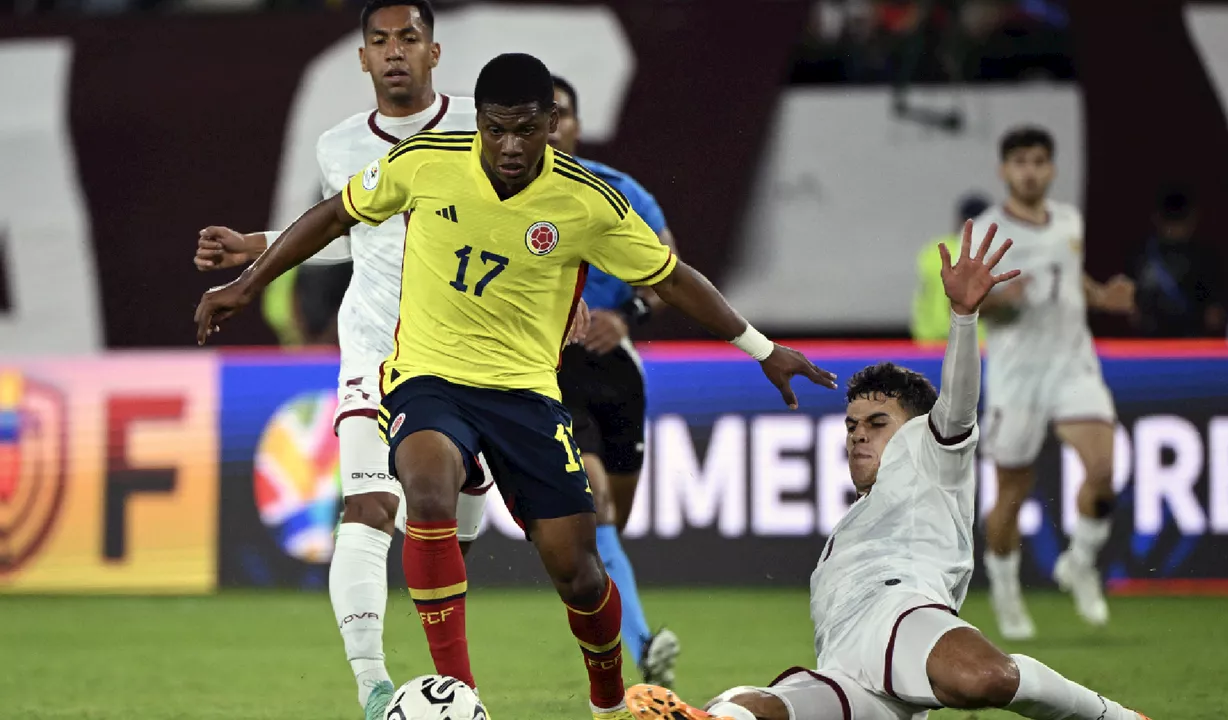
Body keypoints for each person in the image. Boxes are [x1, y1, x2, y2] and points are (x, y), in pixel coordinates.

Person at [194, 52, 836, 720]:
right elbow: (334, 216)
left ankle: (611, 704)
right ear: (478, 121)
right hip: (428, 377)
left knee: (579, 575)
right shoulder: (426, 162)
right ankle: (460, 697)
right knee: (426, 487)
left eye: (525, 129)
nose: (508, 145)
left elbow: (670, 278)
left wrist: (761, 349)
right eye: (495, 128)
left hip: (527, 396)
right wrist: (247, 282)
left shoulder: (586, 201)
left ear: (550, 123)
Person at [622, 221, 1152, 720]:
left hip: (898, 612)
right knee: (768, 706)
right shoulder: (852, 524)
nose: (857, 433)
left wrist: (963, 318)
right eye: (852, 424)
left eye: (877, 422)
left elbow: (960, 405)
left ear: (918, 427)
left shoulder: (931, 453)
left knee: (985, 678)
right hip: (847, 663)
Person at [189, 2, 490, 718]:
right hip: (376, 347)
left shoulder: (482, 124)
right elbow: (349, 229)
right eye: (379, 42)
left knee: (449, 516)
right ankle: (373, 687)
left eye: (408, 39)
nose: (394, 53)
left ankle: (440, 656)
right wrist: (257, 247)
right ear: (362, 58)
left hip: (472, 351)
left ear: (434, 52)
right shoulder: (340, 145)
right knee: (369, 503)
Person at [971, 126, 1136, 640]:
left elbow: (1070, 276)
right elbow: (970, 303)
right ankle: (1005, 589)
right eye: (1020, 161)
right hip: (1016, 377)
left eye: (1039, 161)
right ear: (1004, 170)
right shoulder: (987, 232)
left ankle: (1080, 561)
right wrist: (1002, 297)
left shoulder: (1069, 220)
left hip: (1072, 364)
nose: (1030, 171)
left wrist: (1100, 295)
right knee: (1012, 495)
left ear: (1052, 168)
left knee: (1104, 469)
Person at [546, 74, 681, 687]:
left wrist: (624, 316)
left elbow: (667, 277)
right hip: (550, 370)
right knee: (596, 505)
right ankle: (645, 646)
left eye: (562, 113)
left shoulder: (622, 194)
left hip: (618, 372)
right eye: (538, 114)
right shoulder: (499, 198)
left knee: (608, 525)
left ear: (578, 124)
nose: (552, 124)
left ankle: (606, 615)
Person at [1129, 186, 1224, 337]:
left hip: (1191, 339)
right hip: (1151, 340)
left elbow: (1214, 314)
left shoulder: (1204, 257)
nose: (1175, 230)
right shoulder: (1143, 255)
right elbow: (1132, 309)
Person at [910, 192, 989, 343]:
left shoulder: (934, 249)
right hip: (977, 342)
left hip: (932, 340)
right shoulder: (991, 254)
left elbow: (921, 300)